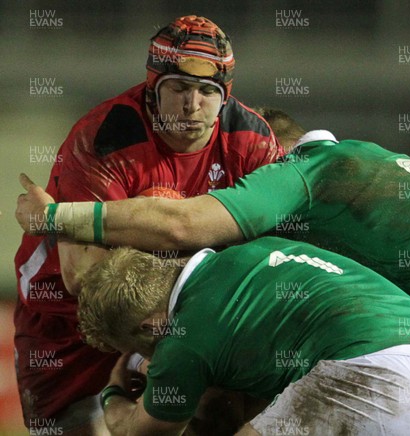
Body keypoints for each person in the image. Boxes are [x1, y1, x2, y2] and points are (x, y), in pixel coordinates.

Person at [16, 109, 410, 435]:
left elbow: (182, 226)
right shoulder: (372, 155)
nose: (249, 179)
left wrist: (62, 217)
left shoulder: (297, 173)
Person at [13, 17, 282, 435]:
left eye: (208, 92)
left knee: (220, 415)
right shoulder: (105, 138)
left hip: (179, 315)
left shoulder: (252, 141)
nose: (192, 106)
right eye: (177, 89)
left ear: (224, 96)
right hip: (71, 322)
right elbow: (83, 276)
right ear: (152, 88)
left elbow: (274, 257)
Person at [77, 237, 410, 435]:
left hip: (377, 378)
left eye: (137, 348)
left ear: (151, 327)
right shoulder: (256, 249)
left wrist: (112, 395)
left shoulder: (183, 341)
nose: (148, 358)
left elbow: (141, 433)